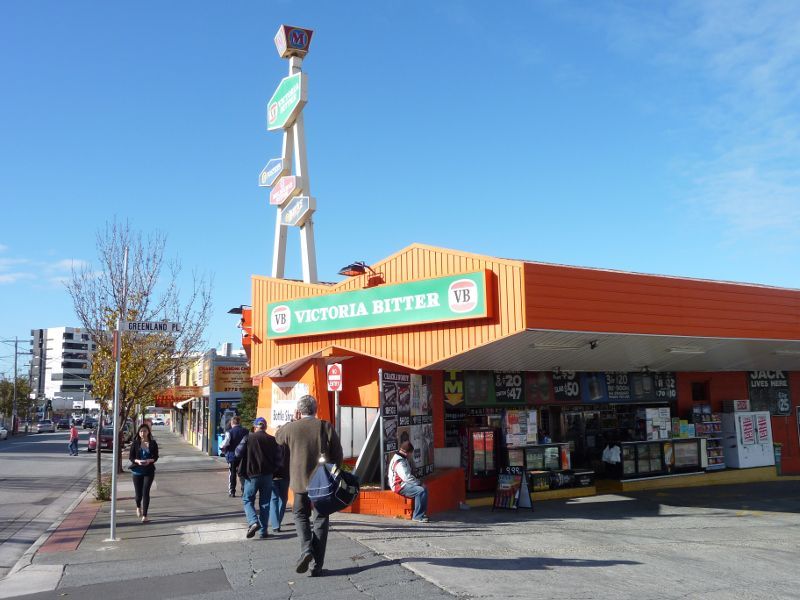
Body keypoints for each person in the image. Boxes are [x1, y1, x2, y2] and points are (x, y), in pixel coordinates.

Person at [276, 395, 343, 577]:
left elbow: (277, 437)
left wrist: (292, 420)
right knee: (320, 520)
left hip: (299, 483)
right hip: (322, 485)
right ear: (316, 408)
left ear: (299, 410)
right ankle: (316, 566)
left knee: (299, 515)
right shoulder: (325, 426)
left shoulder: (291, 428)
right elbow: (338, 454)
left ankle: (306, 549)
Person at [240, 417, 278, 540]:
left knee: (247, 499)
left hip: (252, 475)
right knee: (265, 503)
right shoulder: (273, 440)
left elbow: (237, 453)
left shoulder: (248, 438)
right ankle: (263, 531)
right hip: (267, 475)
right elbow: (279, 458)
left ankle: (253, 521)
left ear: (255, 427)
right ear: (265, 427)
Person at [388, 440, 429, 523]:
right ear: (407, 452)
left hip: (403, 484)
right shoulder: (400, 462)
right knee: (420, 491)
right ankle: (417, 516)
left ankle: (421, 513)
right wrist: (419, 483)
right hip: (398, 486)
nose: (411, 455)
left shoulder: (402, 458)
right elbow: (406, 477)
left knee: (424, 488)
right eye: (411, 453)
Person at [129, 423, 159, 523]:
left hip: (149, 471)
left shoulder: (153, 443)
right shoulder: (135, 443)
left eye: (145, 431)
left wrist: (150, 461)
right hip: (137, 471)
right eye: (141, 431)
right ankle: (138, 506)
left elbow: (156, 457)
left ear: (148, 432)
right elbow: (131, 457)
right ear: (138, 432)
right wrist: (137, 461)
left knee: (146, 492)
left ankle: (145, 515)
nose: (143, 433)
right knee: (138, 495)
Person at [220, 415, 248, 497]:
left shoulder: (229, 432)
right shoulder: (246, 431)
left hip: (232, 456)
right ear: (239, 422)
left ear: (232, 423)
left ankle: (232, 491)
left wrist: (221, 448)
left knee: (232, 474)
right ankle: (244, 490)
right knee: (243, 473)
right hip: (243, 456)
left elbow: (225, 443)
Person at [269, 429, 290, 533]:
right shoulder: (289, 446)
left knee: (274, 500)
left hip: (273, 476)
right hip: (284, 476)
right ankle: (277, 523)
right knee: (282, 500)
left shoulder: (270, 446)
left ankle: (275, 524)